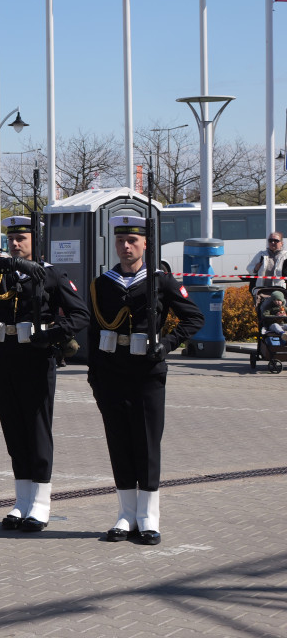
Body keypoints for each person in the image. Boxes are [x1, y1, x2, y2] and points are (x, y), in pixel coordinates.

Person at [87, 215, 204, 546]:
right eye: (120, 240)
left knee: (147, 443)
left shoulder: (160, 281)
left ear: (145, 244)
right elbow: (94, 332)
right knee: (119, 442)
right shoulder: (102, 284)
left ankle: (148, 517)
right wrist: (94, 377)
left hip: (146, 373)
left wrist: (166, 344)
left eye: (132, 241)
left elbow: (194, 317)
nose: (125, 246)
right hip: (112, 372)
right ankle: (126, 514)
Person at [0, 215, 89, 533]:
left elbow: (80, 314)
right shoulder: (3, 272)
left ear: (34, 241)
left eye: (21, 238)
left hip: (36, 358)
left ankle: (40, 502)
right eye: (11, 239)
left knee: (37, 430)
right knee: (14, 430)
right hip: (5, 357)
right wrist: (15, 264)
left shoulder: (51, 275)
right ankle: (22, 501)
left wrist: (50, 335)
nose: (14, 243)